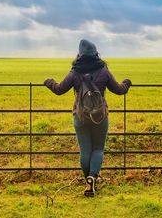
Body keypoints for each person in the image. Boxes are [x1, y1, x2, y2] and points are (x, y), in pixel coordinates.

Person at [44, 39, 132, 197]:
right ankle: (92, 177)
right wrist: (127, 83)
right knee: (98, 149)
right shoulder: (103, 70)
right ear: (96, 53)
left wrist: (49, 82)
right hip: (100, 117)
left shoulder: (74, 72)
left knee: (85, 151)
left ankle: (88, 180)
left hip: (80, 117)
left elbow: (59, 89)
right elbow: (119, 90)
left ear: (79, 54)